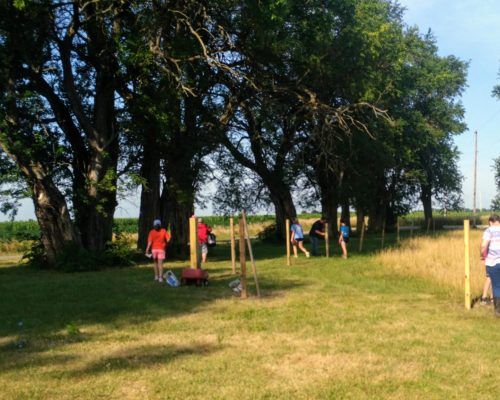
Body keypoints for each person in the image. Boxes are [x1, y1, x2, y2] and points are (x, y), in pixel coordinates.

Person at [480, 215, 500, 316]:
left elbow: (484, 246)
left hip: (493, 262)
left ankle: (497, 310)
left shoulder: (489, 231)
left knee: (496, 285)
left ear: (491, 222)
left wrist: (483, 256)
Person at [480, 216, 495, 305]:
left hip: (494, 260)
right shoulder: (489, 232)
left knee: (494, 279)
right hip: (490, 260)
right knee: (489, 278)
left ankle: (493, 298)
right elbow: (483, 247)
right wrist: (483, 258)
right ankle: (484, 297)